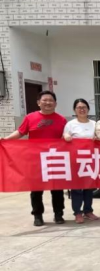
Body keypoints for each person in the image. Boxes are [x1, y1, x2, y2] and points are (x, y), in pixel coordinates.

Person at [1, 90, 67, 226]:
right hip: (35, 159)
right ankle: (37, 215)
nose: (48, 102)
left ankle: (58, 214)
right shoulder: (30, 118)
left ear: (55, 103)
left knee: (57, 189)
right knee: (36, 189)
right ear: (38, 103)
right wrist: (6, 140)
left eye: (51, 100)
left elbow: (66, 136)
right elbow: (20, 132)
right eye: (45, 100)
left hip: (55, 158)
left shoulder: (62, 120)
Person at [63, 99, 99, 224]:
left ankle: (88, 210)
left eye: (84, 107)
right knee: (77, 188)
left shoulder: (94, 124)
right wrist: (67, 137)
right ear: (75, 110)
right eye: (79, 107)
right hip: (76, 161)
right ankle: (78, 212)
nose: (82, 109)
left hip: (91, 160)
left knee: (89, 187)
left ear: (88, 109)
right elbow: (65, 136)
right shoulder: (70, 124)